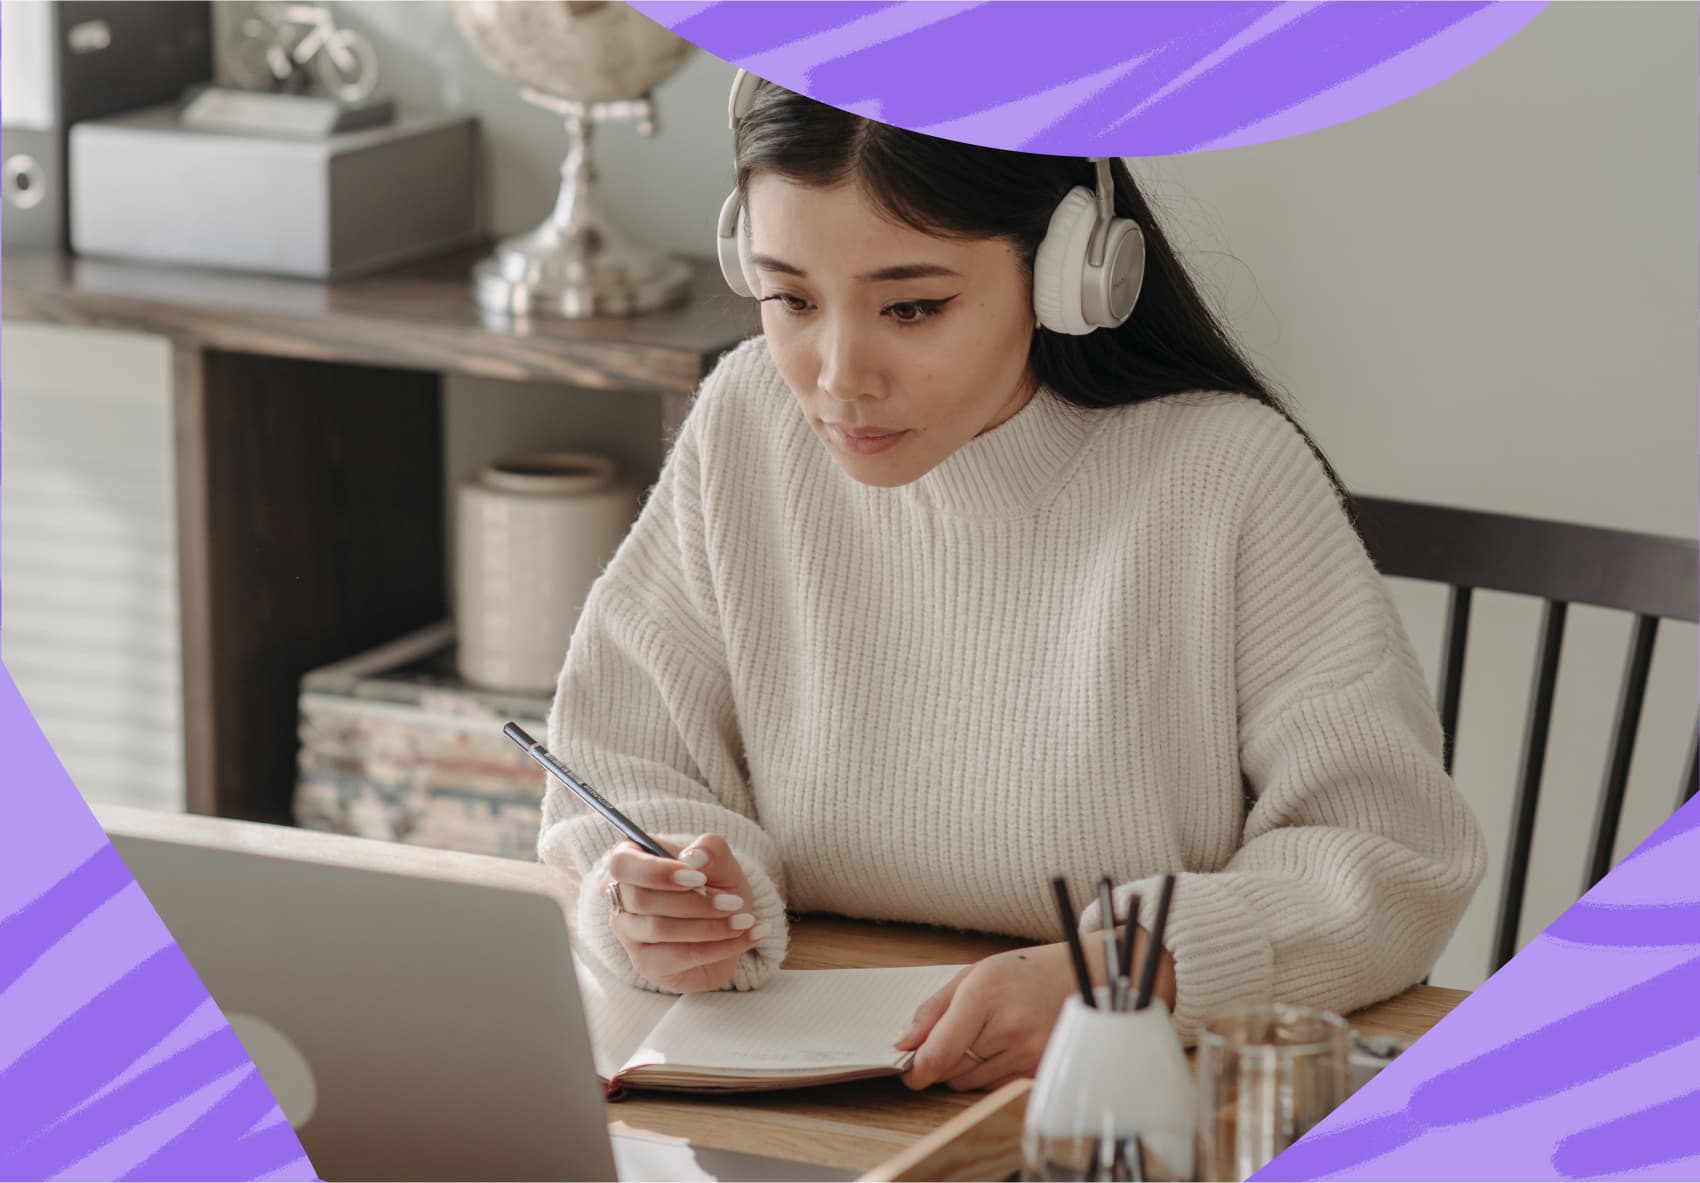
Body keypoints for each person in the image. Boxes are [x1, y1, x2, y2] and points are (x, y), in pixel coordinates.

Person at [538, 73, 1485, 1094]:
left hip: (1123, 1095)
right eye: (790, 299)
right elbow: (615, 762)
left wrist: (1131, 974)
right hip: (787, 1092)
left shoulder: (1228, 476)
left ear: (1068, 272)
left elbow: (1386, 854)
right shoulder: (745, 420)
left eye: (911, 306)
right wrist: (654, 893)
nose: (839, 375)